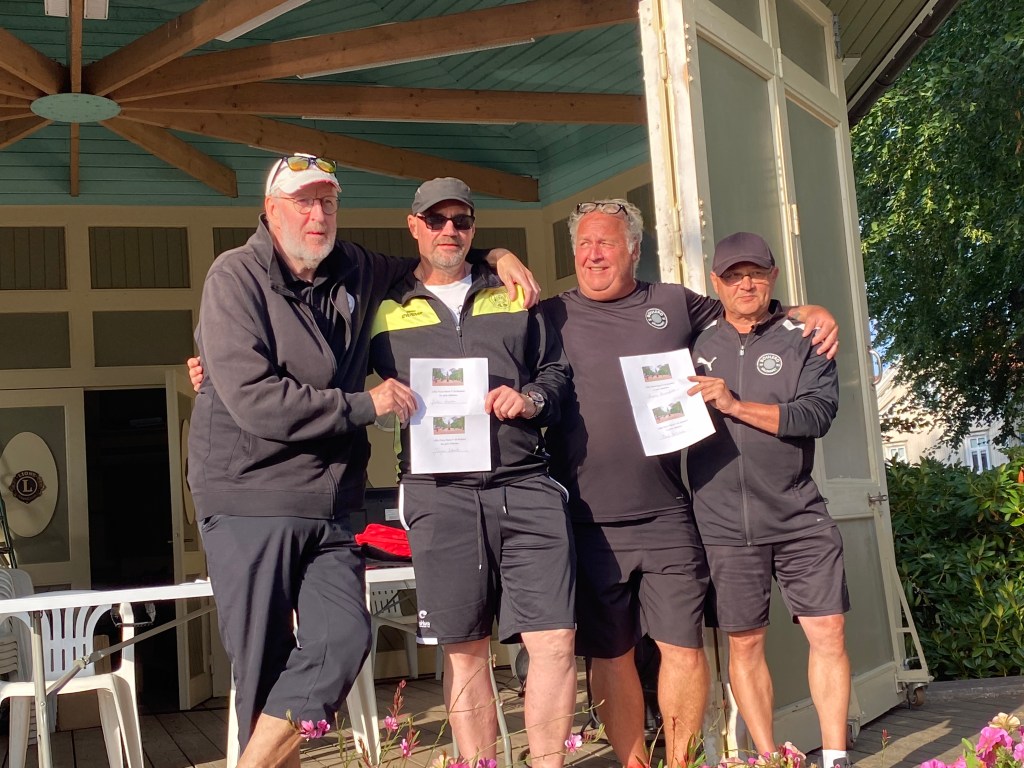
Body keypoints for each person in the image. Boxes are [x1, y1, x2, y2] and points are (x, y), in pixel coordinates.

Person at [187, 156, 535, 768]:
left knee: (343, 639)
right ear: (271, 210)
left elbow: (433, 257)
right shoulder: (234, 276)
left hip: (332, 503)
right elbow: (255, 400)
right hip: (249, 498)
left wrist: (498, 256)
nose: (317, 215)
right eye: (303, 202)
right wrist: (364, 405)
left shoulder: (354, 266)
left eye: (327, 202)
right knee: (262, 667)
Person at [541, 201, 839, 768]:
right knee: (612, 653)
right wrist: (499, 257)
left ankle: (681, 763)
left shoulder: (674, 303)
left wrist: (812, 312)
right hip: (587, 519)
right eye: (584, 244)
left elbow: (747, 306)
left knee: (683, 646)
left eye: (607, 243)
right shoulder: (550, 315)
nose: (594, 255)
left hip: (669, 513)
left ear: (634, 250)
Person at [368, 178, 576, 768]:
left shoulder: (513, 291)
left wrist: (531, 400)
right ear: (414, 226)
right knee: (465, 651)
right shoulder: (383, 304)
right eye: (436, 220)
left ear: (474, 228)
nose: (449, 231)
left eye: (461, 221)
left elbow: (557, 373)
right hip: (438, 492)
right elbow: (319, 359)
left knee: (555, 641)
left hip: (525, 483)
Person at [686, 231, 848, 768]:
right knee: (745, 644)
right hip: (724, 523)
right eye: (733, 276)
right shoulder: (692, 341)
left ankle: (836, 757)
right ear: (716, 283)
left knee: (829, 632)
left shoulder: (806, 337)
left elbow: (815, 416)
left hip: (799, 514)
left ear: (773, 276)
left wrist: (733, 405)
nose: (746, 284)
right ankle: (769, 757)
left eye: (755, 273)